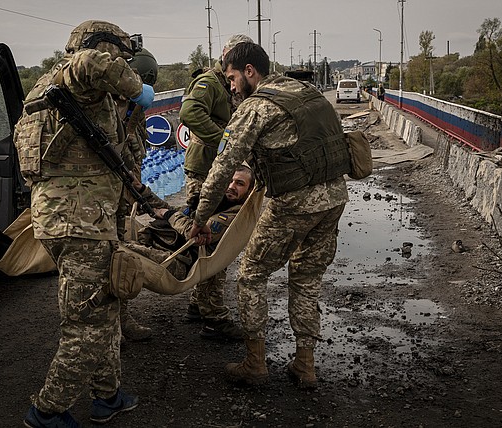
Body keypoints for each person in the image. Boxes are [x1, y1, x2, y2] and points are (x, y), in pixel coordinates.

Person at [14, 20, 154, 428]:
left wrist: (157, 206)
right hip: (78, 223)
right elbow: (91, 62)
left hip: (79, 220)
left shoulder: (54, 91)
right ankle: (46, 411)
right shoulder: (75, 74)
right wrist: (138, 90)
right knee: (86, 326)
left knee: (105, 309)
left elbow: (118, 163)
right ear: (102, 48)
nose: (124, 65)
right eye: (121, 56)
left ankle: (106, 397)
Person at [189, 42, 350, 389]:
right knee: (306, 279)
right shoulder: (304, 91)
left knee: (250, 275)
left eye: (232, 78)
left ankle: (255, 361)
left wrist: (200, 218)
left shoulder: (257, 106)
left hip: (294, 203)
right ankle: (304, 366)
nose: (230, 86)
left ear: (250, 72)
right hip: (334, 199)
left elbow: (223, 166)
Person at [179, 34, 253, 340]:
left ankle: (199, 305)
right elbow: (189, 113)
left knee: (210, 240)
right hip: (206, 170)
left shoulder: (232, 85)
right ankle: (214, 317)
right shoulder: (210, 82)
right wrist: (224, 142)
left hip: (221, 170)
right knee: (214, 243)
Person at [125, 165, 255, 282]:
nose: (232, 187)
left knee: (120, 250)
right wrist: (142, 190)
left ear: (249, 191)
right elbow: (175, 211)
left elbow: (191, 232)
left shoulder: (233, 217)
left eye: (240, 184)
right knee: (122, 228)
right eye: (230, 181)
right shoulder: (215, 202)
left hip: (177, 262)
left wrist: (167, 214)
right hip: (161, 246)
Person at [116, 47, 159, 343]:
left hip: (122, 197)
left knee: (118, 257)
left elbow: (137, 152)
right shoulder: (105, 106)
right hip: (100, 198)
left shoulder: (136, 110)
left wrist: (137, 191)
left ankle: (121, 320)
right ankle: (113, 325)